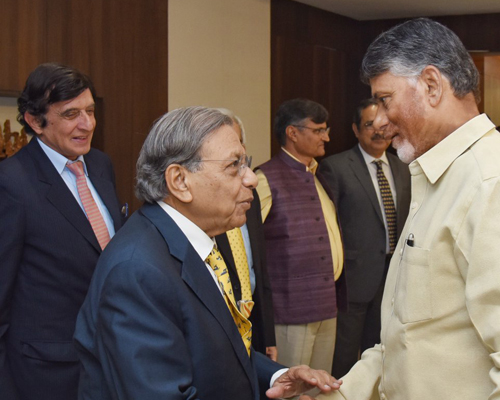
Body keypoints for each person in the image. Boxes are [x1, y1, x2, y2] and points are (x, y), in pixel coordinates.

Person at [318, 18, 500, 400]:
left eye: (385, 100)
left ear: (432, 86)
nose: (380, 122)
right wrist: (335, 393)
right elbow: (409, 337)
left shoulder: (494, 185)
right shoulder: (438, 175)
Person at [74, 106, 341, 400]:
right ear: (179, 181)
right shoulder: (138, 271)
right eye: (234, 166)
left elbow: (217, 349)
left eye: (246, 163)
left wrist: (277, 376)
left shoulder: (189, 240)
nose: (251, 178)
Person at [0, 63, 123, 400]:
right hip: (45, 374)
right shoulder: (11, 183)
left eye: (90, 111)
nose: (87, 124)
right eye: (71, 114)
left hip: (109, 360)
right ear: (35, 121)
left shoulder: (100, 166)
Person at [319, 98, 410, 377]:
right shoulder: (335, 167)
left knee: (382, 349)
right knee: (345, 354)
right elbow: (328, 227)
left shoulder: (404, 167)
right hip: (353, 278)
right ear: (356, 130)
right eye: (369, 124)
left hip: (394, 276)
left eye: (384, 124)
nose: (378, 131)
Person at [255, 99, 345, 374]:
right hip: (290, 309)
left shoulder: (318, 175)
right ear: (293, 133)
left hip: (327, 304)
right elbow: (247, 245)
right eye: (318, 130)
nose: (326, 137)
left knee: (320, 386)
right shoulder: (264, 178)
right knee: (292, 387)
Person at [214, 108, 277, 361]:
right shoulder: (206, 209)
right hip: (222, 322)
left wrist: (268, 335)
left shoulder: (250, 198)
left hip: (254, 319)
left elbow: (259, 269)